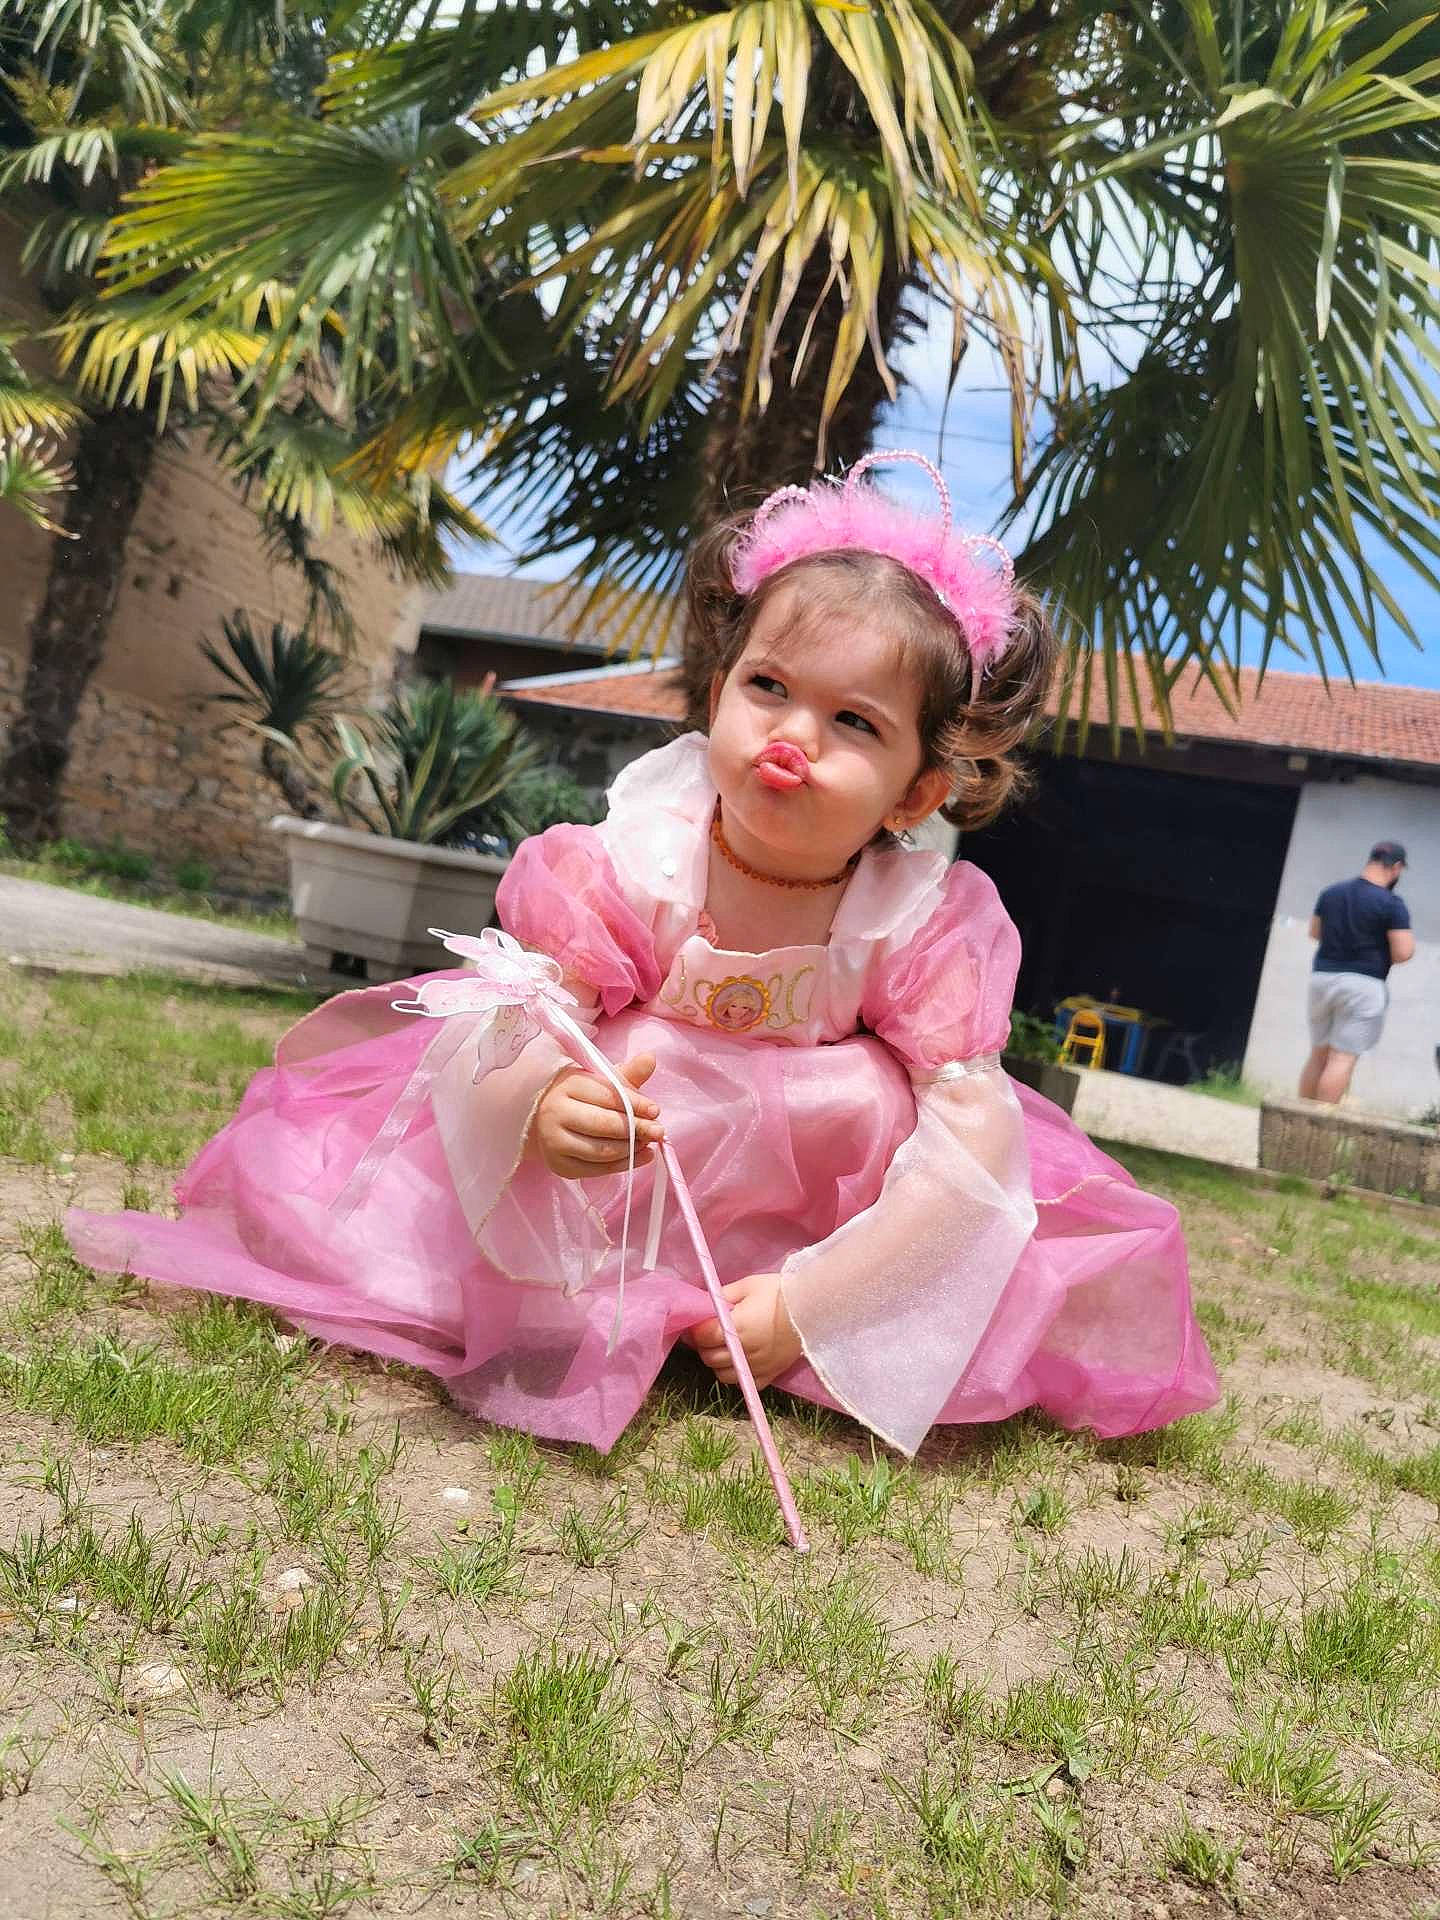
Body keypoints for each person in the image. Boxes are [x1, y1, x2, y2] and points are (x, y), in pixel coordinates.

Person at [66, 452, 1218, 1458]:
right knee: (634, 1052)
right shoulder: (630, 864)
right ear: (718, 693)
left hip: (804, 1214)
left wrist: (822, 1302)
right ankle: (595, 1298)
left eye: (853, 722)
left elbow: (973, 1139)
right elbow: (516, 1011)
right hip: (619, 1180)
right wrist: (538, 1099)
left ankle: (757, 1319)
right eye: (767, 688)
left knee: (877, 1098)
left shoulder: (919, 921)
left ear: (918, 787)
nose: (792, 736)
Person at [1300, 841, 1415, 1105]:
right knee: (1342, 1058)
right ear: (1396, 868)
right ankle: (1321, 1130)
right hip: (1363, 985)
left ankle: (1297, 1122)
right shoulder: (1391, 904)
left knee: (1318, 1054)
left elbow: (1314, 932)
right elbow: (1403, 952)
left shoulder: (1331, 893)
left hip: (1322, 979)